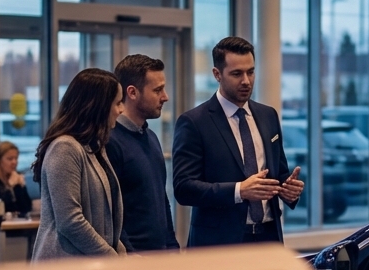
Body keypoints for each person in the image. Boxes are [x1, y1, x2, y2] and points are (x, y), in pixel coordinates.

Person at [173, 36, 304, 246]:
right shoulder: (194, 122)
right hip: (219, 244)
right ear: (217, 74)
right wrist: (239, 190)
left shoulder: (268, 115)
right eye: (236, 74)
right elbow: (184, 188)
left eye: (250, 72)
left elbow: (278, 174)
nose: (246, 81)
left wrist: (289, 191)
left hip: (268, 238)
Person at [32, 68, 126, 261]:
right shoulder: (65, 147)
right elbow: (70, 222)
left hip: (88, 267)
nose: (121, 109)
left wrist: (120, 253)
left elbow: (104, 223)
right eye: (117, 103)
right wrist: (112, 257)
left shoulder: (94, 147)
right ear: (98, 106)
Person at [106, 54, 180, 251]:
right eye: (157, 90)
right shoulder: (110, 142)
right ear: (132, 92)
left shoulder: (151, 137)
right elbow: (110, 212)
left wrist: (172, 246)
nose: (165, 97)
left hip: (160, 254)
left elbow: (162, 201)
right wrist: (129, 255)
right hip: (133, 260)